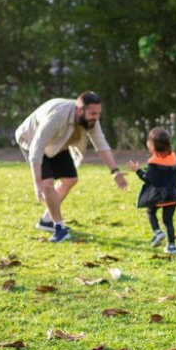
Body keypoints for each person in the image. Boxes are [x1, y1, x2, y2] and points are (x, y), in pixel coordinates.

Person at [15, 92, 128, 243]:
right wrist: (37, 182)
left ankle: (46, 220)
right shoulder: (58, 115)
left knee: (70, 179)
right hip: (31, 141)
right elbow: (37, 147)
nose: (96, 117)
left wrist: (115, 171)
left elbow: (100, 144)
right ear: (79, 110)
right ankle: (59, 228)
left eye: (98, 113)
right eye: (93, 113)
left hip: (58, 145)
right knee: (47, 184)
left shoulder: (91, 120)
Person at [127, 127, 176, 254]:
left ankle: (157, 232)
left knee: (150, 211)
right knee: (168, 221)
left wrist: (138, 170)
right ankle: (172, 246)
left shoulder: (153, 162)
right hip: (173, 195)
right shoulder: (173, 157)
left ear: (152, 146)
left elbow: (148, 179)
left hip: (159, 196)